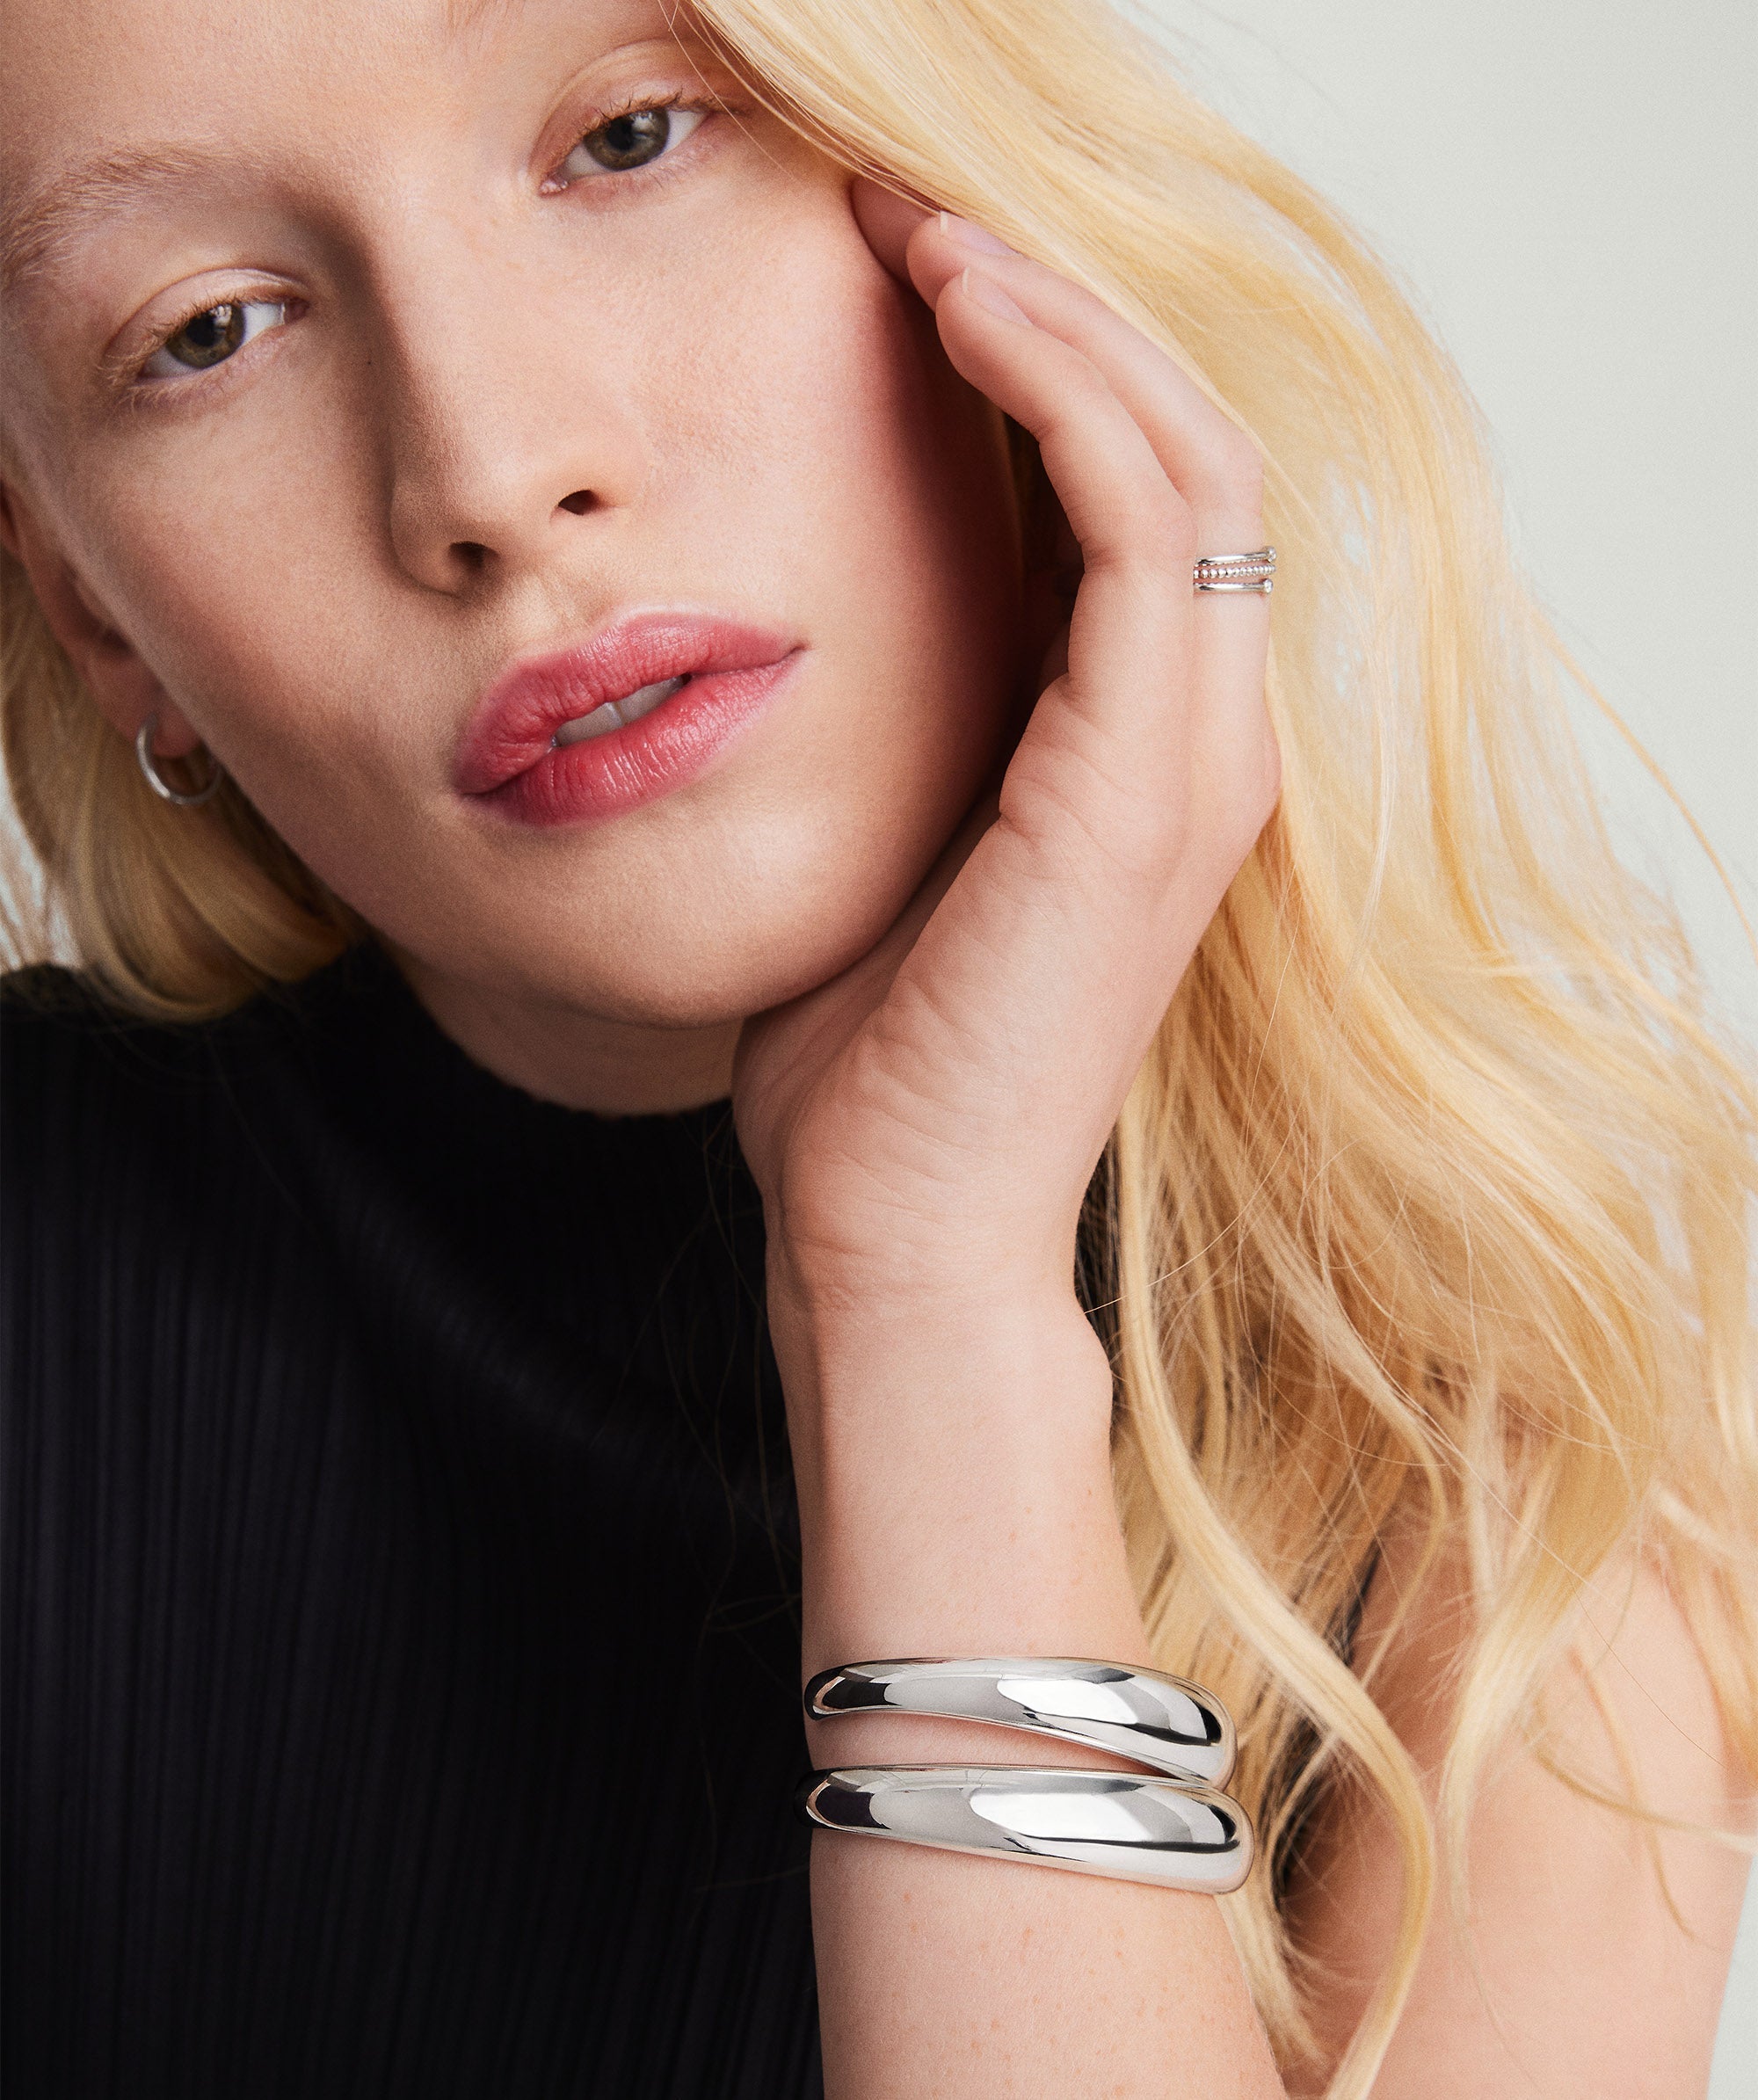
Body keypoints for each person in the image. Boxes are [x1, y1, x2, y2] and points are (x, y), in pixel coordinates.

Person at [2, 0, 1752, 2093]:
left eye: (632, 138)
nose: (490, 474)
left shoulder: (1515, 1567)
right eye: (205, 332)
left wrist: (924, 1296)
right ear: (91, 603)